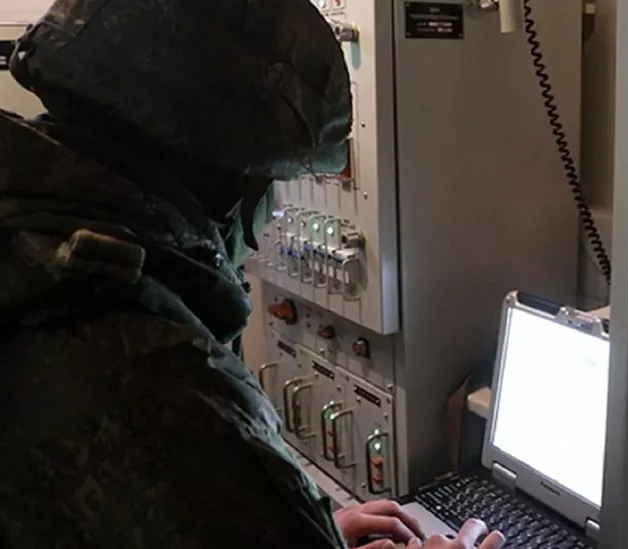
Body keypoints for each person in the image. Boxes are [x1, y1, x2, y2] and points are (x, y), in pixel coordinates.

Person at [0, 1, 504, 548]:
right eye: (277, 182)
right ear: (235, 184)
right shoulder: (165, 377)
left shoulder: (33, 242)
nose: (272, 213)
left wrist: (299, 528)